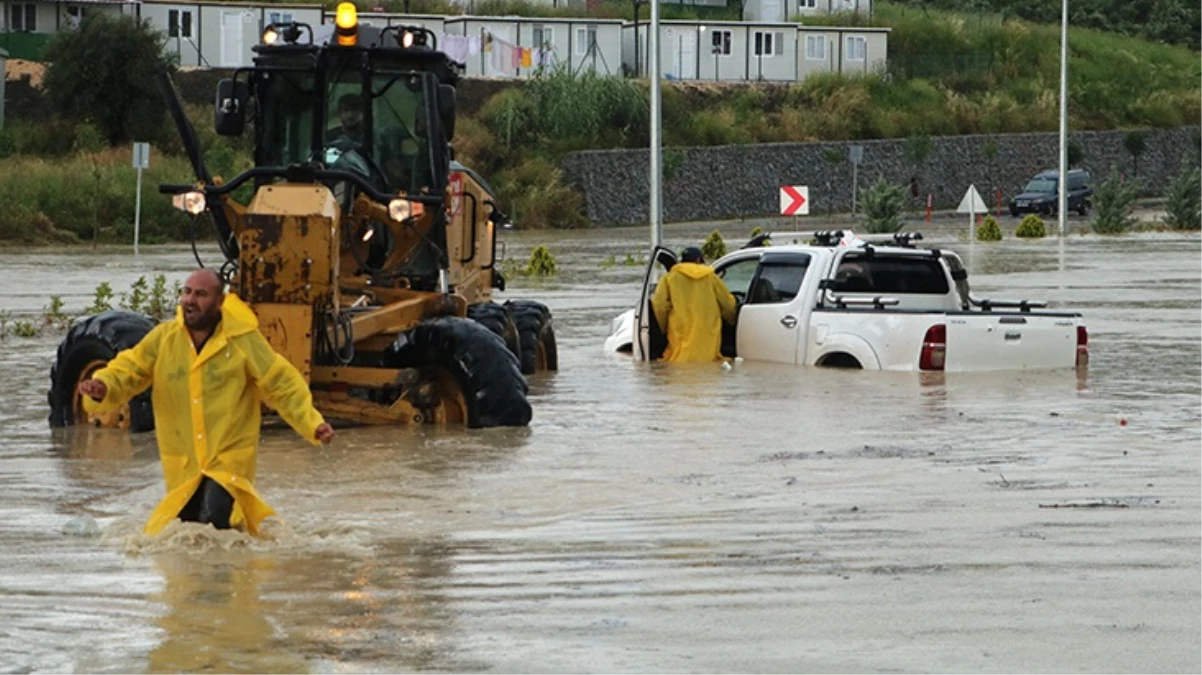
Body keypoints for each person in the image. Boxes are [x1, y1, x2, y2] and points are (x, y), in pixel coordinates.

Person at [77, 268, 335, 537]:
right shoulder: (164, 339)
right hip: (184, 464)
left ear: (220, 301)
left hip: (228, 458)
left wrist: (312, 424)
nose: (190, 300)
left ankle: (229, 575)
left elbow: (281, 384)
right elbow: (129, 370)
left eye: (201, 294)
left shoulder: (243, 341)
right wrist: (102, 387)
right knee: (188, 529)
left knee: (215, 516)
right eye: (186, 292)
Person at [651, 246, 737, 362]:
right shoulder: (712, 277)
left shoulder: (669, 278)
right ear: (698, 260)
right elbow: (727, 304)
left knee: (678, 364)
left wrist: (662, 328)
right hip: (708, 334)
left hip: (680, 332)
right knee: (708, 368)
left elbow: (660, 306)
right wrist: (732, 321)